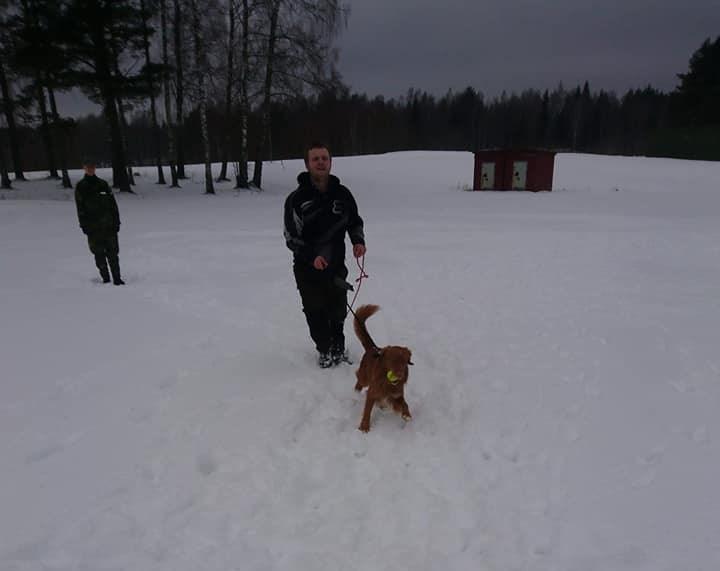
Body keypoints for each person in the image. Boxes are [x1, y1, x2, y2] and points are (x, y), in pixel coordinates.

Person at [284, 142, 366, 368]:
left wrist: (358, 241)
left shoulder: (342, 194)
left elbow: (355, 222)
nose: (320, 162)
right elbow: (291, 236)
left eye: (324, 158)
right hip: (306, 266)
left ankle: (338, 349)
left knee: (338, 308)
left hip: (336, 263)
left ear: (330, 162)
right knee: (315, 310)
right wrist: (311, 257)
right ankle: (324, 350)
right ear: (307, 164)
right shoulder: (297, 199)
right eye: (315, 159)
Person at [74, 159, 125, 285]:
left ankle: (117, 278)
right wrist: (84, 225)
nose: (90, 169)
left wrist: (116, 222)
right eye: (88, 167)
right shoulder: (81, 187)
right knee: (99, 254)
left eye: (92, 167)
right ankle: (106, 278)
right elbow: (80, 208)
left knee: (113, 253)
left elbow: (113, 205)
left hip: (109, 226)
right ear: (84, 168)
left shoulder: (103, 184)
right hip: (93, 228)